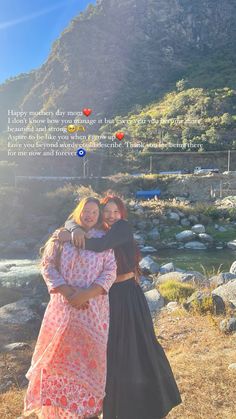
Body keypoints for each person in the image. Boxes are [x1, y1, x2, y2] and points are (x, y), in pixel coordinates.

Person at [58, 195, 182, 419]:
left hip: (126, 296)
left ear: (122, 214)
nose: (111, 216)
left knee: (136, 348)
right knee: (111, 352)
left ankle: (150, 404)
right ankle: (112, 408)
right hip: (106, 296)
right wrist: (73, 227)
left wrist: (72, 238)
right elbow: (74, 218)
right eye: (107, 212)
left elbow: (102, 246)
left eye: (116, 212)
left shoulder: (121, 228)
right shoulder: (99, 229)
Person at [23, 197, 117, 419]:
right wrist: (68, 293)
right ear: (78, 211)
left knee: (88, 360)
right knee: (57, 359)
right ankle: (55, 412)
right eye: (86, 210)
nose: (90, 215)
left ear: (99, 215)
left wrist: (86, 294)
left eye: (95, 212)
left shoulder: (104, 239)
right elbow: (47, 265)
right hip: (62, 310)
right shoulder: (60, 236)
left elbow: (110, 271)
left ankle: (86, 412)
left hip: (93, 311)